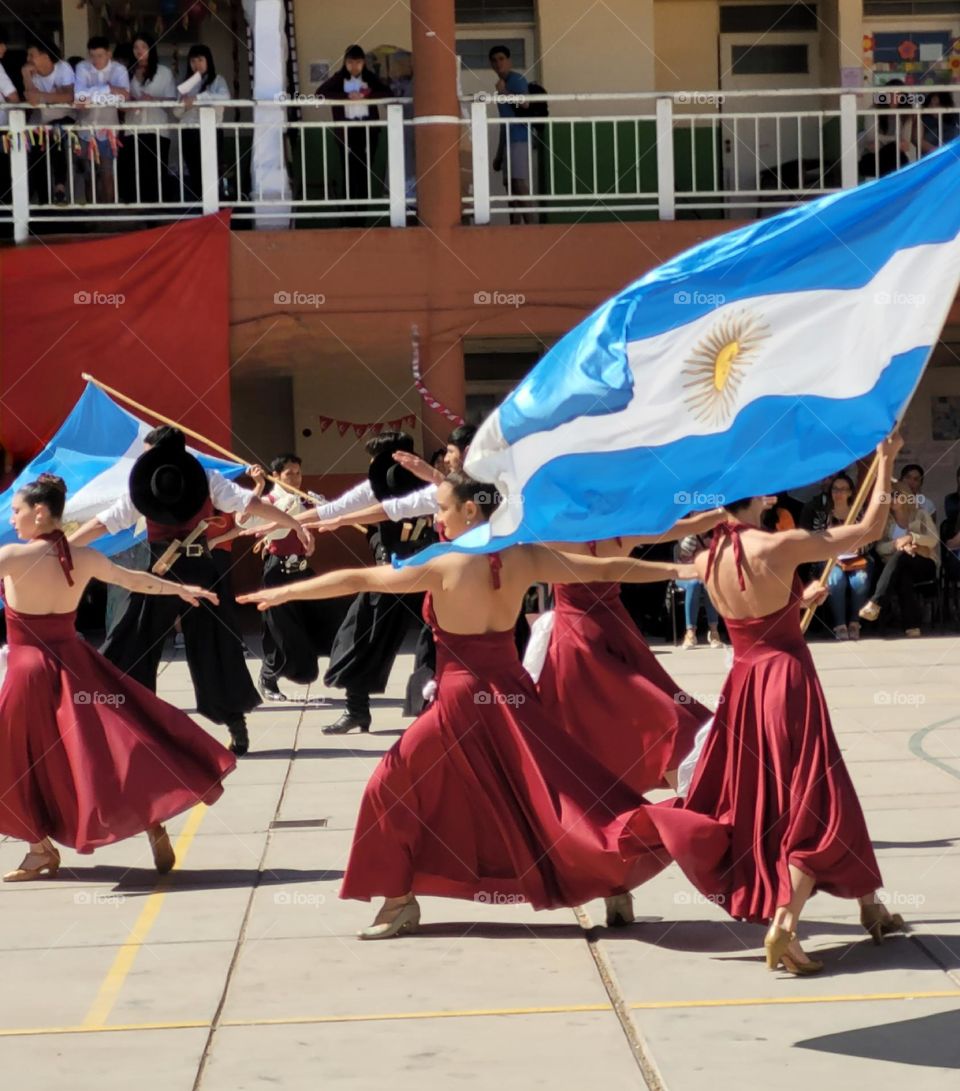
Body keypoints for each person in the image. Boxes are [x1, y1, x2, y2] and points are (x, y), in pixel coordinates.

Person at [239, 472, 696, 938]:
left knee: (389, 787)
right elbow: (602, 570)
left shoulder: (443, 563)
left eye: (442, 509)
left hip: (461, 700)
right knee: (552, 795)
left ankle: (398, 900)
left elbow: (361, 577)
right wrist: (676, 571)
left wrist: (288, 591)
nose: (437, 518)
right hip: (513, 694)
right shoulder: (522, 558)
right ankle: (611, 879)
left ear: (470, 511)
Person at [622, 435, 907, 976]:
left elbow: (757, 616)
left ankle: (872, 908)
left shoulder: (710, 558)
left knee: (783, 799)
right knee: (813, 802)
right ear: (758, 498)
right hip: (788, 682)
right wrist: (886, 461)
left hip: (745, 684)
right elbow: (869, 531)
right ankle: (786, 922)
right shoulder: (778, 545)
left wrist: (800, 601)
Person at [0, 474, 235, 882]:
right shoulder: (84, 557)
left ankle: (40, 850)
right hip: (76, 663)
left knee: (18, 762)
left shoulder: (13, 557)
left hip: (29, 670)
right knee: (106, 746)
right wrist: (179, 590)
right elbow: (135, 581)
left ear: (40, 513)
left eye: (17, 510)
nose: (12, 517)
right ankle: (148, 815)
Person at [68, 426, 314, 756]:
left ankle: (231, 725)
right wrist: (295, 523)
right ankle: (134, 721)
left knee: (178, 641)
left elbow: (105, 523)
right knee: (147, 640)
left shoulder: (167, 480)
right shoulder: (202, 477)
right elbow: (250, 503)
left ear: (156, 450)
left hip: (167, 571)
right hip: (180, 571)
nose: (143, 456)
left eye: (146, 450)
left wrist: (64, 546)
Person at [526, 514, 722, 815]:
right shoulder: (618, 531)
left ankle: (695, 803)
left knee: (588, 726)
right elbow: (678, 527)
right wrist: (723, 511)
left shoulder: (553, 535)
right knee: (659, 713)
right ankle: (698, 801)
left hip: (576, 639)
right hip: (613, 631)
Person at [246, 454, 330, 701]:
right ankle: (268, 678)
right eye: (289, 473)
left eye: (298, 472)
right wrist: (258, 487)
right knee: (280, 629)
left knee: (314, 621)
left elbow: (326, 515)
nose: (295, 477)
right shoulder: (268, 501)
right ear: (277, 476)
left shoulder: (307, 499)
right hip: (277, 572)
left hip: (302, 571)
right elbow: (246, 521)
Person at [859, 483, 939, 637]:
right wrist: (897, 545)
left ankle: (875, 602)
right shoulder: (885, 520)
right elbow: (879, 547)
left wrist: (911, 538)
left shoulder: (920, 514)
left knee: (902, 559)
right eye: (888, 496)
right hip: (898, 565)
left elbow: (933, 540)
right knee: (903, 572)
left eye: (895, 495)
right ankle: (912, 627)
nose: (892, 499)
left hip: (923, 561)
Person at [316, 45, 392, 204]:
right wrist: (346, 96)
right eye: (350, 62)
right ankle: (349, 216)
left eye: (358, 62)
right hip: (346, 132)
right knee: (348, 173)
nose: (354, 67)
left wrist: (367, 95)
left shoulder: (369, 78)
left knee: (365, 172)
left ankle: (362, 216)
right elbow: (320, 94)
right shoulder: (339, 78)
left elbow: (387, 93)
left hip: (368, 131)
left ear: (364, 63)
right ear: (345, 62)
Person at [74, 36, 130, 205]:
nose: (95, 60)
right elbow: (79, 100)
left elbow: (124, 99)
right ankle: (92, 215)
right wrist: (109, 89)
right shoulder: (82, 67)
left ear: (108, 54)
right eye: (92, 56)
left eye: (99, 55)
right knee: (88, 175)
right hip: (85, 129)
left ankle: (109, 213)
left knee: (107, 173)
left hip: (109, 130)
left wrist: (91, 94)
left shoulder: (119, 70)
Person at [22, 38, 76, 206]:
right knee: (36, 153)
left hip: (66, 119)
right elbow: (32, 99)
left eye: (32, 55)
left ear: (45, 55)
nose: (28, 59)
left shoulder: (62, 68)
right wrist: (25, 75)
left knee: (56, 134)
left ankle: (60, 187)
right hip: (42, 122)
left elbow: (70, 96)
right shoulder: (32, 74)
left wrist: (43, 97)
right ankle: (44, 200)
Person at [124, 33, 177, 204]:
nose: (139, 51)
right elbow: (119, 98)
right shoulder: (126, 72)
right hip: (132, 130)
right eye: (136, 47)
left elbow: (172, 101)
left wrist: (152, 100)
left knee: (155, 175)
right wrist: (132, 101)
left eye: (143, 47)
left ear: (151, 49)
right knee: (134, 174)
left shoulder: (164, 72)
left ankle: (157, 215)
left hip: (157, 130)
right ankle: (137, 216)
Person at [174, 44, 230, 204]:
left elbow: (225, 97)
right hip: (189, 133)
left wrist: (198, 99)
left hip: (211, 131)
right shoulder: (186, 84)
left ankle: (215, 213)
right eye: (193, 60)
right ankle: (200, 212)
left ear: (208, 61)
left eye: (200, 59)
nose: (196, 64)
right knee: (195, 172)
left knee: (212, 172)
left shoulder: (217, 80)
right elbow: (176, 113)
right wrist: (184, 104)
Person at [821, 472, 873, 640]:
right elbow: (812, 537)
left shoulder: (860, 512)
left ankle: (854, 623)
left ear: (850, 492)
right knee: (836, 580)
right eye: (836, 489)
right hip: (828, 558)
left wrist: (860, 547)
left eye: (844, 489)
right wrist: (831, 553)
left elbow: (871, 536)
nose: (839, 493)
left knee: (860, 580)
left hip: (856, 558)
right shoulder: (822, 512)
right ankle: (840, 625)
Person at [488, 45, 534, 224]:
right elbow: (503, 121)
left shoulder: (516, 79)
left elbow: (525, 104)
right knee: (509, 186)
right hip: (508, 140)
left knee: (518, 183)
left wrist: (503, 92)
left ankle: (532, 226)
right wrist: (499, 154)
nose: (498, 63)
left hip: (519, 138)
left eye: (501, 58)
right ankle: (514, 227)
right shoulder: (501, 84)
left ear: (509, 61)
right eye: (494, 60)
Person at [675, 532, 723, 649]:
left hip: (705, 576)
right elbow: (682, 557)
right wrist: (690, 540)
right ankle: (690, 632)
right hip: (683, 575)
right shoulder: (683, 535)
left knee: (707, 584)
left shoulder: (714, 538)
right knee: (694, 583)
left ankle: (714, 632)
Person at [920, 89, 959, 155]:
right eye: (931, 104)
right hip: (933, 159)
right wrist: (939, 153)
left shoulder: (954, 118)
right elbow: (918, 141)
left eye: (937, 105)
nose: (933, 108)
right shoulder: (922, 120)